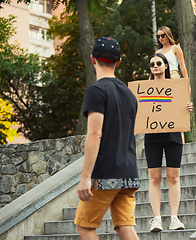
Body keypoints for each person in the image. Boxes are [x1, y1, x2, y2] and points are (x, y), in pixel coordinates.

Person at [74, 37, 140, 240]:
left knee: (85, 227)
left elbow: (95, 135)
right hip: (128, 173)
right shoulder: (130, 95)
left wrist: (86, 178)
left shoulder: (97, 90)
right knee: (125, 227)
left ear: (93, 59)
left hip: (105, 174)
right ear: (118, 62)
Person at [146, 53, 193, 232]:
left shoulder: (177, 86)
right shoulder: (144, 89)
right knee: (154, 177)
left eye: (159, 63)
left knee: (173, 177)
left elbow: (183, 108)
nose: (155, 66)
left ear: (166, 65)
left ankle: (174, 218)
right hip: (152, 136)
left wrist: (188, 108)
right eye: (152, 64)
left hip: (173, 135)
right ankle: (156, 218)